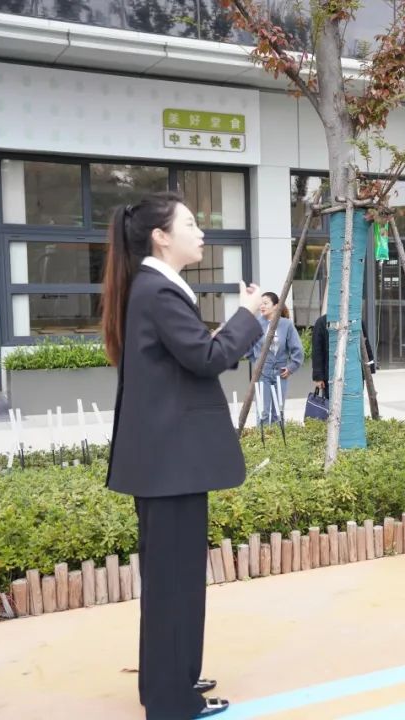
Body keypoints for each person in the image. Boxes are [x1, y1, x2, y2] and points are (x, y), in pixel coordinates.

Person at [102, 192, 264, 719]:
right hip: (170, 465)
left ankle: (169, 681)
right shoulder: (159, 290)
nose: (201, 232)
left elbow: (189, 356)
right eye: (190, 224)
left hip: (165, 464)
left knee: (171, 582)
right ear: (161, 236)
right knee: (176, 584)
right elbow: (207, 356)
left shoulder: (152, 287)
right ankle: (172, 700)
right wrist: (246, 315)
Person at [246, 292, 303, 424]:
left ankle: (278, 437)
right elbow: (247, 347)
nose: (262, 306)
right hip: (262, 373)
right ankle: (262, 437)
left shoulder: (286, 324)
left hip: (281, 372)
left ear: (276, 306)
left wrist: (291, 367)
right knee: (263, 412)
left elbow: (297, 349)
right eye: (261, 304)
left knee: (278, 412)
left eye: (265, 303)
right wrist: (257, 362)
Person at [311, 314, 376, 400]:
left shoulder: (356, 320)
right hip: (331, 374)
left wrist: (369, 369)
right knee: (332, 401)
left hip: (354, 373)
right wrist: (318, 377)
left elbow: (365, 345)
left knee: (354, 401)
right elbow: (317, 351)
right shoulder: (322, 322)